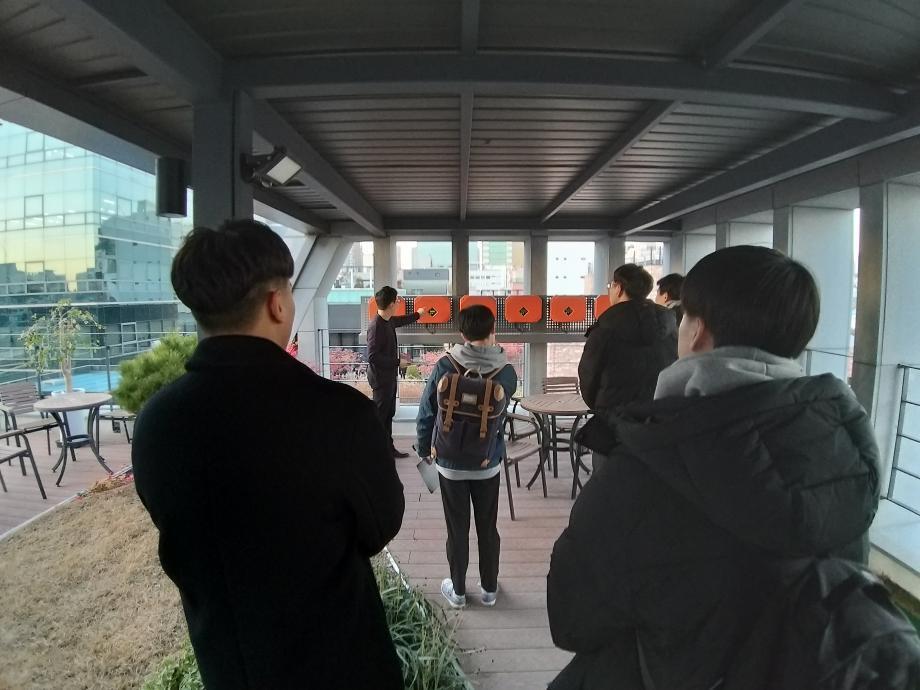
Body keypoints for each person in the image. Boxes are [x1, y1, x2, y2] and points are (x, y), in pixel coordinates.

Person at [547, 246, 880, 690]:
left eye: (685, 317)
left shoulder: (646, 465)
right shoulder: (843, 453)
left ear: (699, 331)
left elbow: (572, 618)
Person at [132, 219, 405, 690]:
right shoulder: (339, 413)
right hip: (340, 661)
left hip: (228, 665)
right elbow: (381, 526)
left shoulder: (156, 422)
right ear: (277, 304)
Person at [416, 305, 517, 609]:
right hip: (488, 463)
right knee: (487, 527)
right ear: (493, 330)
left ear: (462, 334)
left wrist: (425, 450)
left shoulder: (445, 366)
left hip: (450, 464)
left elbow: (427, 413)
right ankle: (489, 590)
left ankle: (458, 592)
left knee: (457, 528)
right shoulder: (506, 372)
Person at [575, 263, 677, 468]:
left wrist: (602, 406)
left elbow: (588, 377)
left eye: (611, 286)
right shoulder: (670, 324)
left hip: (614, 425)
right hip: (656, 423)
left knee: (608, 481)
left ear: (619, 288)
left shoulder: (605, 327)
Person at [367, 285, 423, 458]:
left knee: (388, 415)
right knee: (380, 417)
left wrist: (418, 314)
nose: (398, 303)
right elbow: (372, 357)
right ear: (391, 304)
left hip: (389, 377)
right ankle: (375, 452)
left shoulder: (388, 320)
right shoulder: (376, 326)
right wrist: (399, 362)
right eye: (397, 300)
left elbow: (400, 321)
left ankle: (387, 449)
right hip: (381, 380)